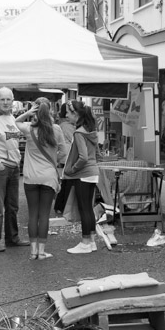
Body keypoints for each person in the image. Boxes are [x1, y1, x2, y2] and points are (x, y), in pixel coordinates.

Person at [16, 97, 68, 260]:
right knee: (44, 214)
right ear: (51, 110)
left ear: (35, 111)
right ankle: (41, 251)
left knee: (33, 214)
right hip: (49, 177)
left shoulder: (29, 128)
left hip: (31, 177)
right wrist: (54, 158)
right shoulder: (57, 129)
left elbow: (15, 121)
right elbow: (63, 153)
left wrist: (27, 113)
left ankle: (32, 252)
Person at [0, 87, 30, 252]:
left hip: (14, 168)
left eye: (9, 99)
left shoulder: (11, 118)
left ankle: (12, 238)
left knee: (12, 206)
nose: (6, 102)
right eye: (3, 99)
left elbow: (13, 141)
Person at [63, 100, 101, 255]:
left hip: (83, 173)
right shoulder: (90, 130)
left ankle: (85, 243)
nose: (66, 116)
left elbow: (83, 157)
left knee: (84, 208)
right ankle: (91, 242)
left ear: (76, 114)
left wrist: (72, 169)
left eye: (68, 113)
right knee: (88, 209)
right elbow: (96, 153)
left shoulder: (79, 132)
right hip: (93, 172)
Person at [53, 102, 76, 215]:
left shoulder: (63, 124)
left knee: (66, 182)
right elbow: (74, 139)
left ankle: (61, 206)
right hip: (68, 156)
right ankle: (62, 206)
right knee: (67, 183)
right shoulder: (67, 126)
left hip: (66, 157)